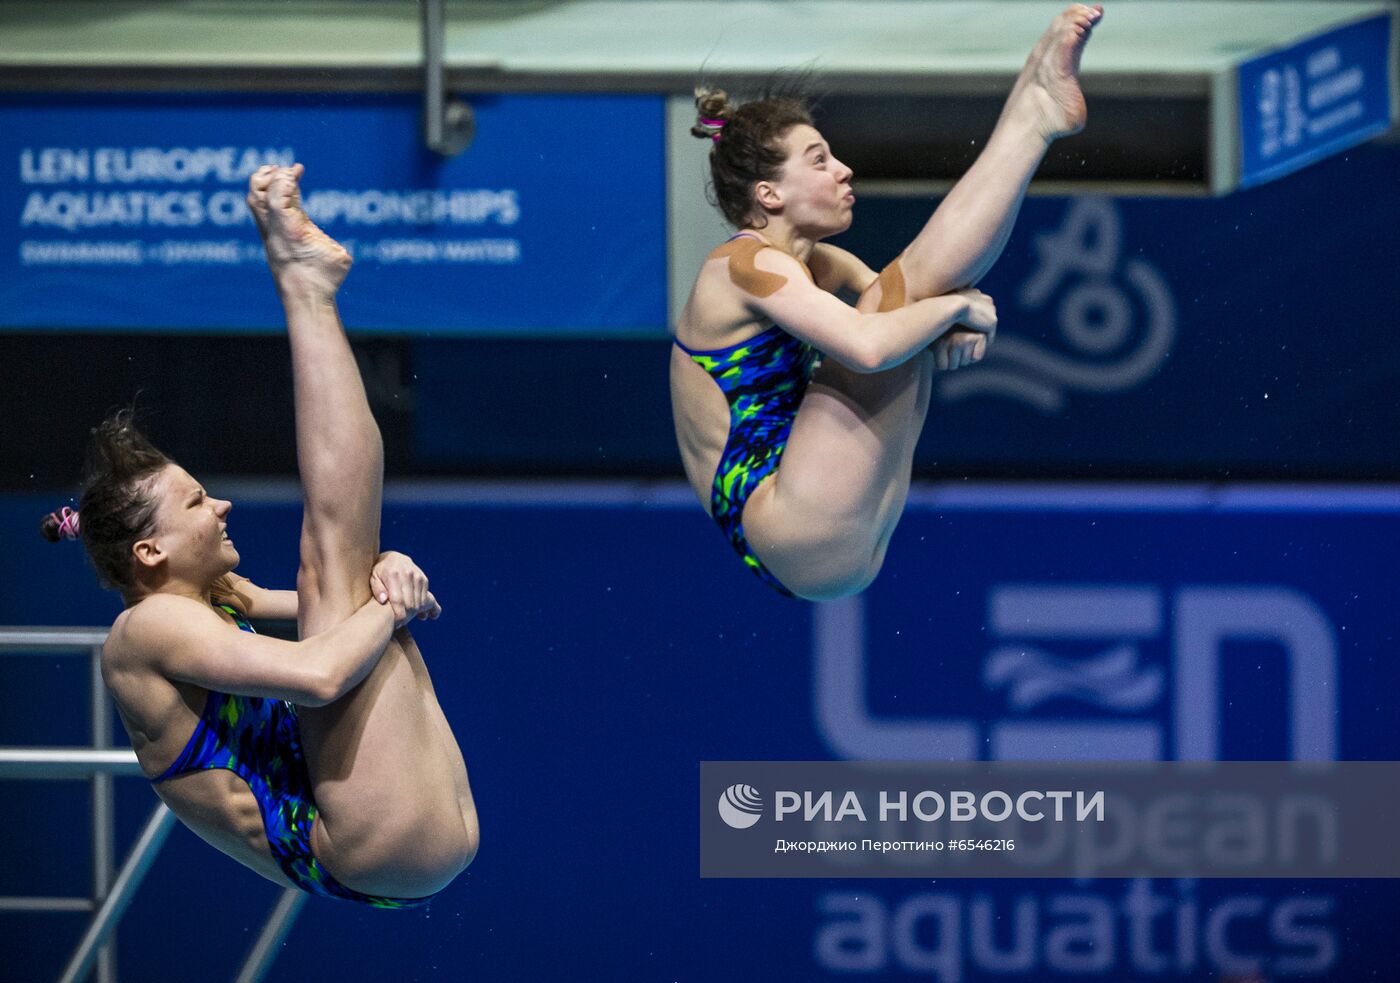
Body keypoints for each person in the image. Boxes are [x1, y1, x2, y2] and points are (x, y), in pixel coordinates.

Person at [39, 164, 477, 906]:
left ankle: (307, 290)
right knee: (334, 559)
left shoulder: (209, 599)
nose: (223, 506)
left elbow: (336, 610)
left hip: (394, 846)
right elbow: (319, 674)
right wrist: (387, 603)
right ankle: (304, 289)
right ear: (150, 551)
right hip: (358, 841)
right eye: (196, 501)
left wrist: (389, 579)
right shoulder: (144, 630)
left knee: (347, 565)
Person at [672, 4, 1104, 599]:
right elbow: (870, 346)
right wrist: (954, 312)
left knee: (913, 296)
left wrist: (943, 315)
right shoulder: (745, 265)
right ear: (768, 193)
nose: (845, 171)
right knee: (910, 301)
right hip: (790, 520)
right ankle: (1032, 116)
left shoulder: (803, 263)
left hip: (816, 540)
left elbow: (907, 297)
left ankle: (1034, 112)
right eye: (819, 160)